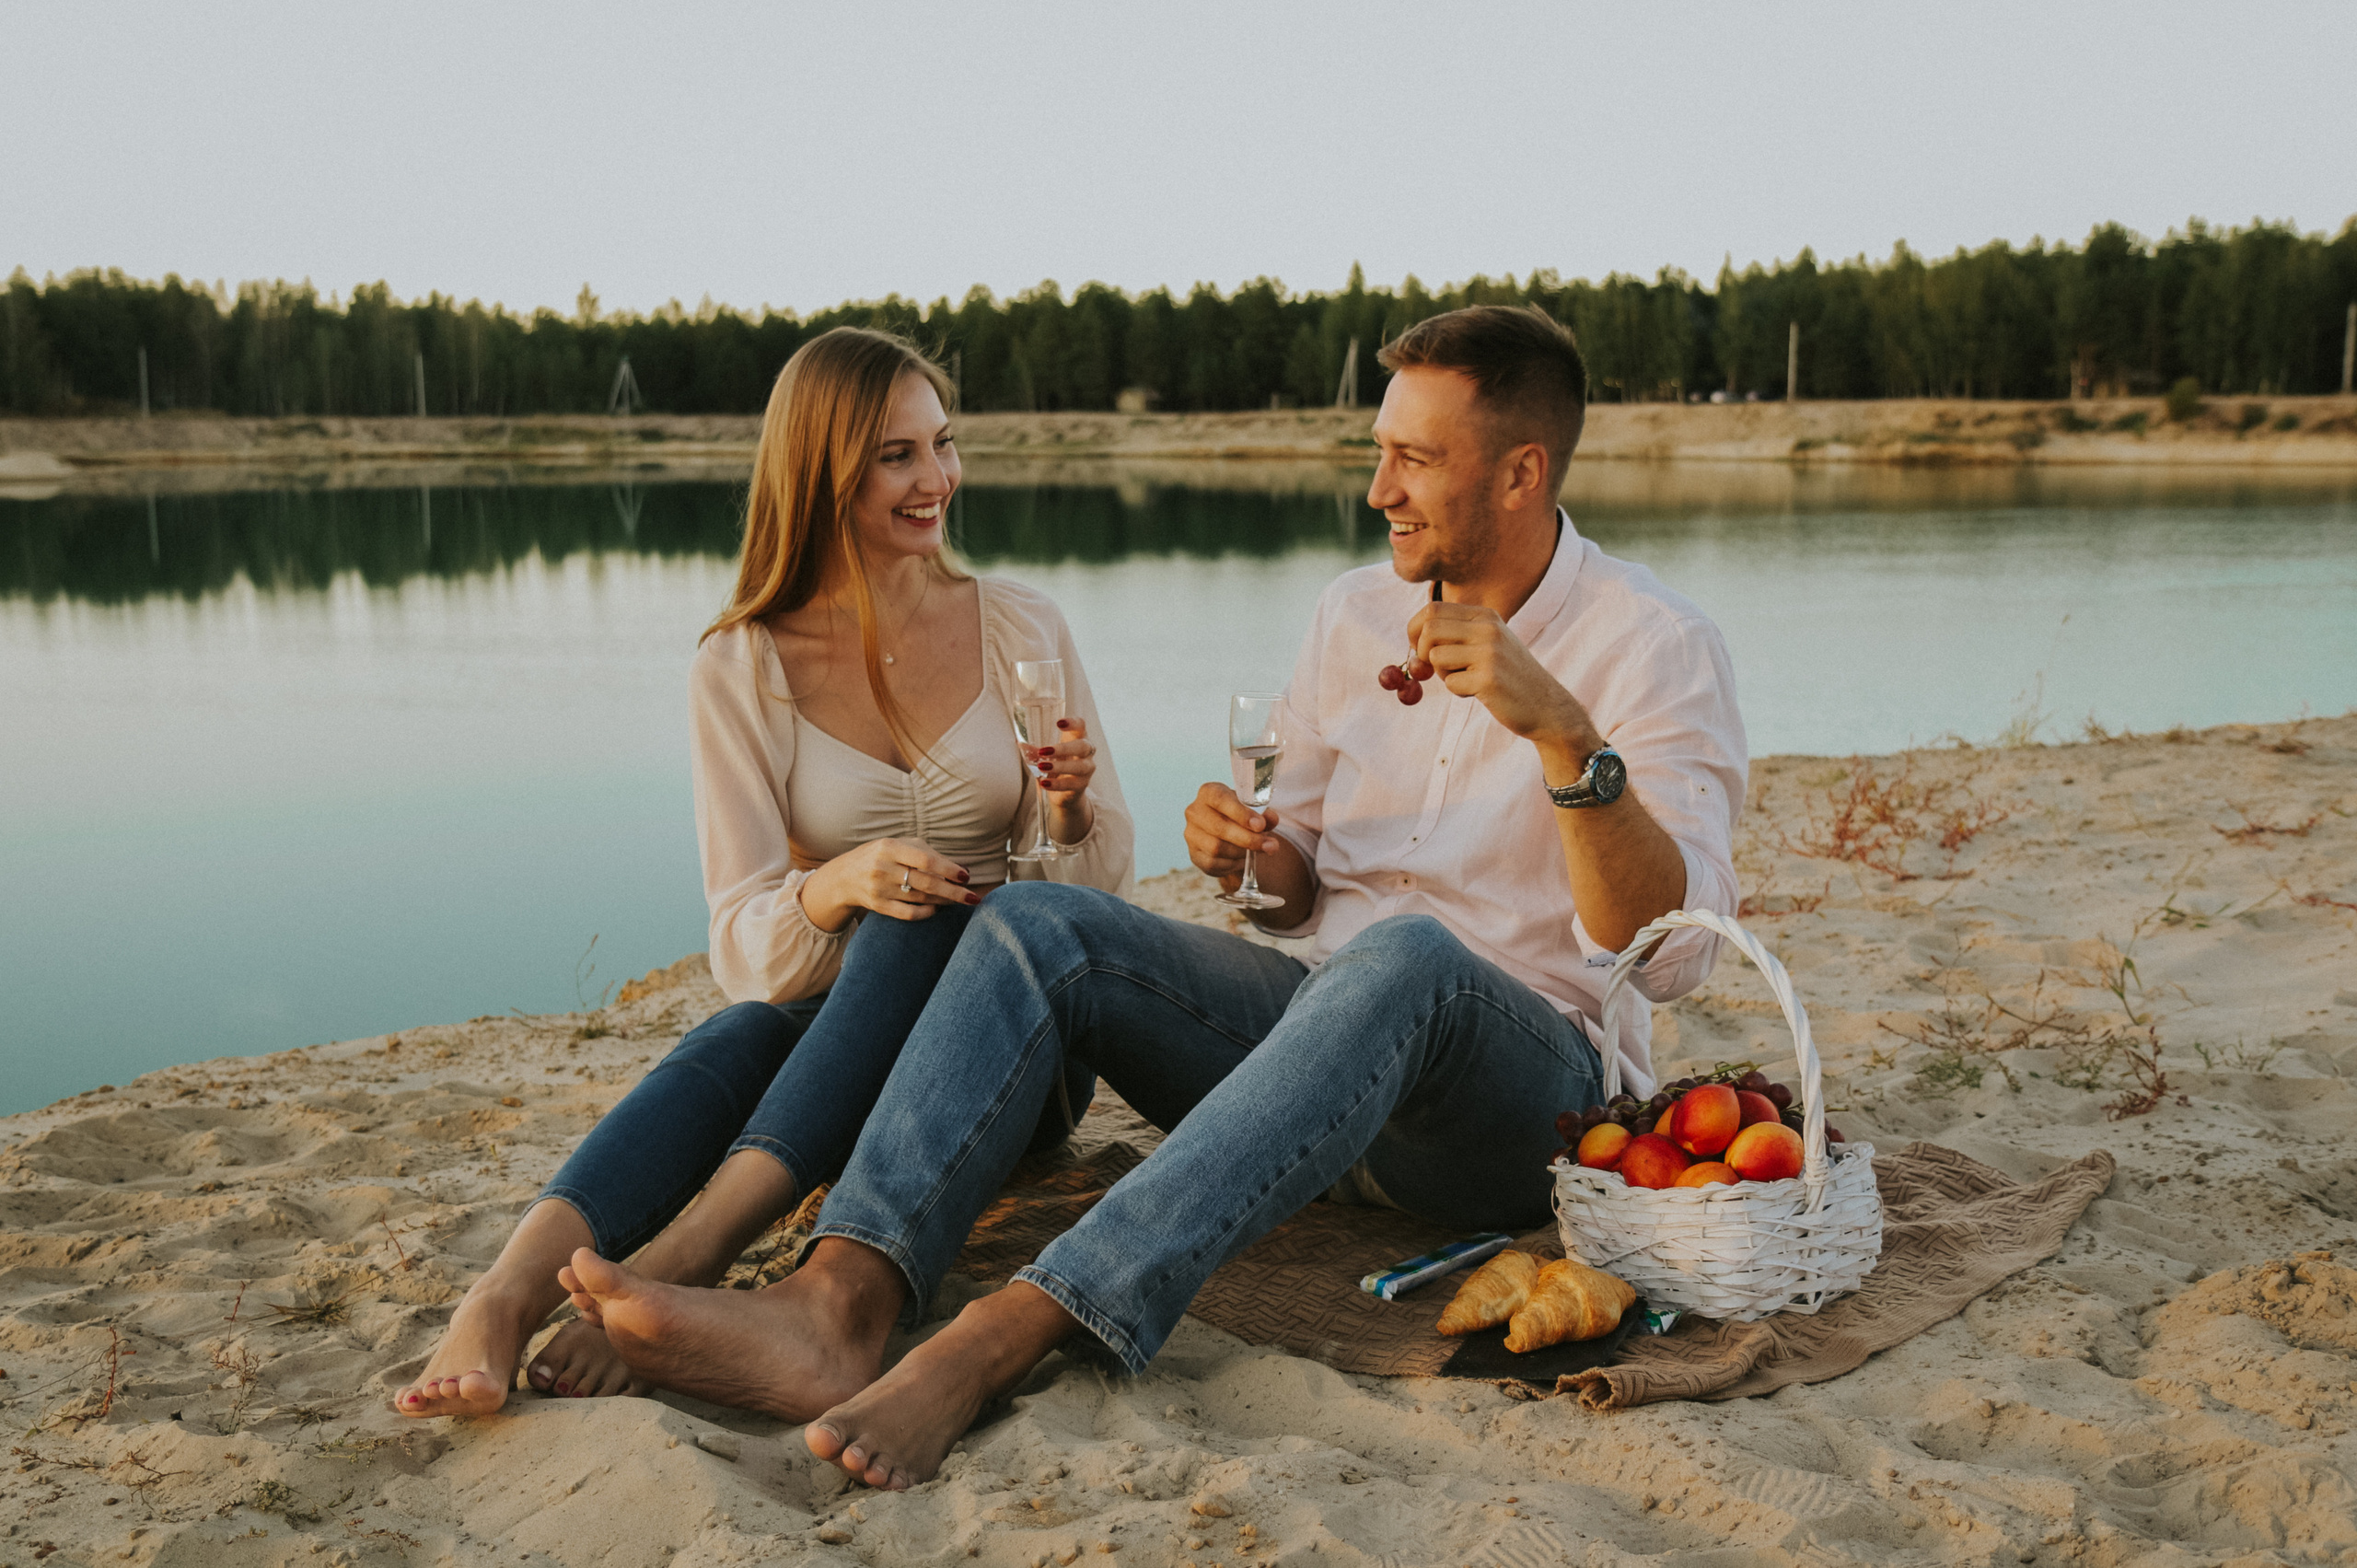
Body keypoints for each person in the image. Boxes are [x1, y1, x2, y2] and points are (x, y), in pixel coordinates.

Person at [558, 305, 1745, 1487]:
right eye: (1377, 451)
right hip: (1301, 1060)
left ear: (1522, 471)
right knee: (1033, 924)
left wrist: (1563, 737)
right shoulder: (1351, 616)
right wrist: (1255, 865)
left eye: (1415, 459)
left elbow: (1670, 952)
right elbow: (1300, 894)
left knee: (1414, 959)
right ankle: (838, 1300)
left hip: (1505, 1105)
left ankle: (1006, 1334)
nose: (1379, 486)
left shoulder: (1652, 645)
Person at [392, 327, 1132, 1417]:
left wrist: (1065, 801)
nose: (937, 481)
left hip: (1013, 1051)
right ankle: (504, 1294)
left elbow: (1103, 892)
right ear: (822, 471)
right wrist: (839, 882)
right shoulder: (740, 665)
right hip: (831, 1057)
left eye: (943, 444)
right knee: (745, 1025)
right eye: (896, 456)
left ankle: (688, 1257)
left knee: (928, 915)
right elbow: (744, 948)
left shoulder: (1020, 623)